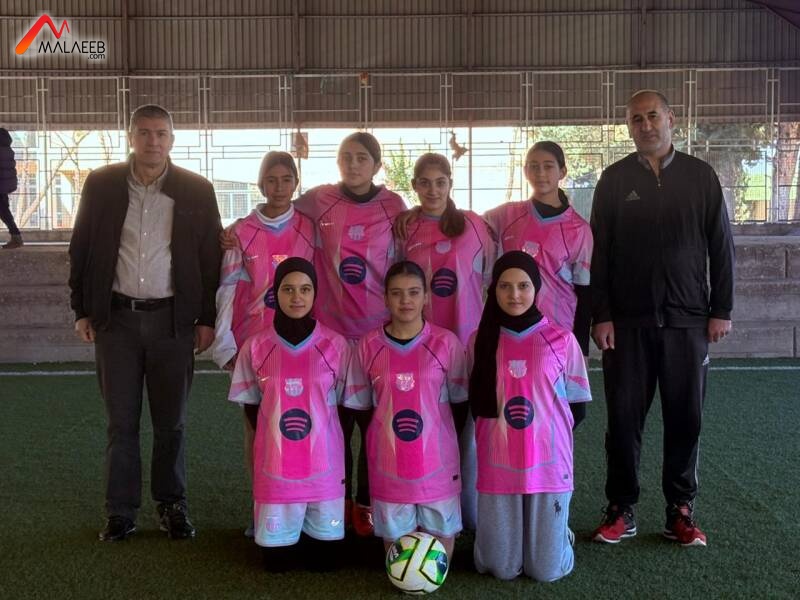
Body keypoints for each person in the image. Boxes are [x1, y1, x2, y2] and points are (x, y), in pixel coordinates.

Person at [221, 132, 406, 536]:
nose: (353, 164)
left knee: (376, 429)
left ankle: (368, 510)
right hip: (331, 340)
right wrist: (237, 227)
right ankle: (331, 508)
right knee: (332, 431)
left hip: (377, 337)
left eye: (362, 158)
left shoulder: (395, 206)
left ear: (376, 166)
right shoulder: (319, 200)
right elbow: (276, 207)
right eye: (346, 157)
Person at [68, 104, 222, 542]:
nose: (153, 141)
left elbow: (211, 259)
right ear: (131, 137)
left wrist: (206, 318)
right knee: (121, 424)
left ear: (172, 139)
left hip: (173, 324)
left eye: (161, 133)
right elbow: (81, 246)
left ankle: (172, 505)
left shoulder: (196, 189)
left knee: (171, 423)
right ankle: (120, 511)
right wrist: (81, 309)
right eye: (144, 132)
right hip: (115, 322)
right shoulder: (101, 185)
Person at [590, 90, 734, 547]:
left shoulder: (700, 176)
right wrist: (601, 315)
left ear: (671, 118)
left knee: (685, 419)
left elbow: (721, 246)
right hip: (627, 325)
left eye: (653, 116)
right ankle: (621, 508)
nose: (646, 125)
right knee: (623, 421)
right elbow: (599, 253)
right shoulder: (614, 180)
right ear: (628, 127)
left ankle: (680, 509)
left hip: (687, 322)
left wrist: (721, 308)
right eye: (637, 119)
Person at [469, 251, 591, 582]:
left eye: (523, 286)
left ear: (536, 288)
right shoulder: (479, 341)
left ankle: (559, 533)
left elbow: (578, 407)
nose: (514, 294)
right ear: (493, 290)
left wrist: (542, 440)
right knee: (501, 569)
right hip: (498, 463)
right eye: (505, 286)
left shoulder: (561, 339)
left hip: (547, 464)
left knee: (545, 571)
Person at [210, 151, 314, 536]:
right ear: (260, 184)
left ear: (296, 183)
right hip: (254, 345)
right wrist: (224, 343)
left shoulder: (310, 228)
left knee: (303, 426)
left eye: (286, 179)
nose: (279, 187)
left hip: (301, 345)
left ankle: (305, 510)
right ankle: (263, 512)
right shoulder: (241, 231)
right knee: (257, 430)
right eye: (272, 179)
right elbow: (227, 288)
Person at [229, 257, 349, 571]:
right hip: (277, 471)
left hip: (323, 472)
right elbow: (252, 407)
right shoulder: (256, 346)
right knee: (277, 565)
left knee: (325, 564)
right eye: (288, 289)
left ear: (315, 294)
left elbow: (345, 406)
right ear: (276, 294)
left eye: (305, 289)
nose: (297, 297)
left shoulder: (335, 345)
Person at [344, 261, 468, 560]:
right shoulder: (368, 345)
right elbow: (363, 408)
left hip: (437, 463)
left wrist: (439, 438)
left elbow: (460, 404)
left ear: (426, 296)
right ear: (385, 298)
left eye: (413, 292)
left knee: (441, 537)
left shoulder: (446, 343)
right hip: (389, 463)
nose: (405, 300)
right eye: (397, 293)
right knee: (397, 545)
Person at [399, 152, 496, 529]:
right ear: (414, 186)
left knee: (466, 431)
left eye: (440, 182)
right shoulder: (406, 228)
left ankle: (467, 512)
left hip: (466, 343)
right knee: (426, 425)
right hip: (420, 347)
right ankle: (426, 505)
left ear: (450, 184)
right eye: (424, 183)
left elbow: (490, 279)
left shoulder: (474, 225)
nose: (433, 190)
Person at [483, 141, 593, 361]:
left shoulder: (578, 229)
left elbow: (584, 291)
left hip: (557, 330)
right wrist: (419, 212)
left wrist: (581, 347)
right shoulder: (506, 215)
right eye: (533, 166)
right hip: (510, 328)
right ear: (525, 171)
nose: (540, 173)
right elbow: (465, 226)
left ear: (562, 172)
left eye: (548, 166)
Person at [0, 127, 23, 249]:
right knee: (4, 212)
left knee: (4, 212)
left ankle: (16, 237)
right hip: (4, 185)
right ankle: (16, 237)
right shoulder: (7, 150)